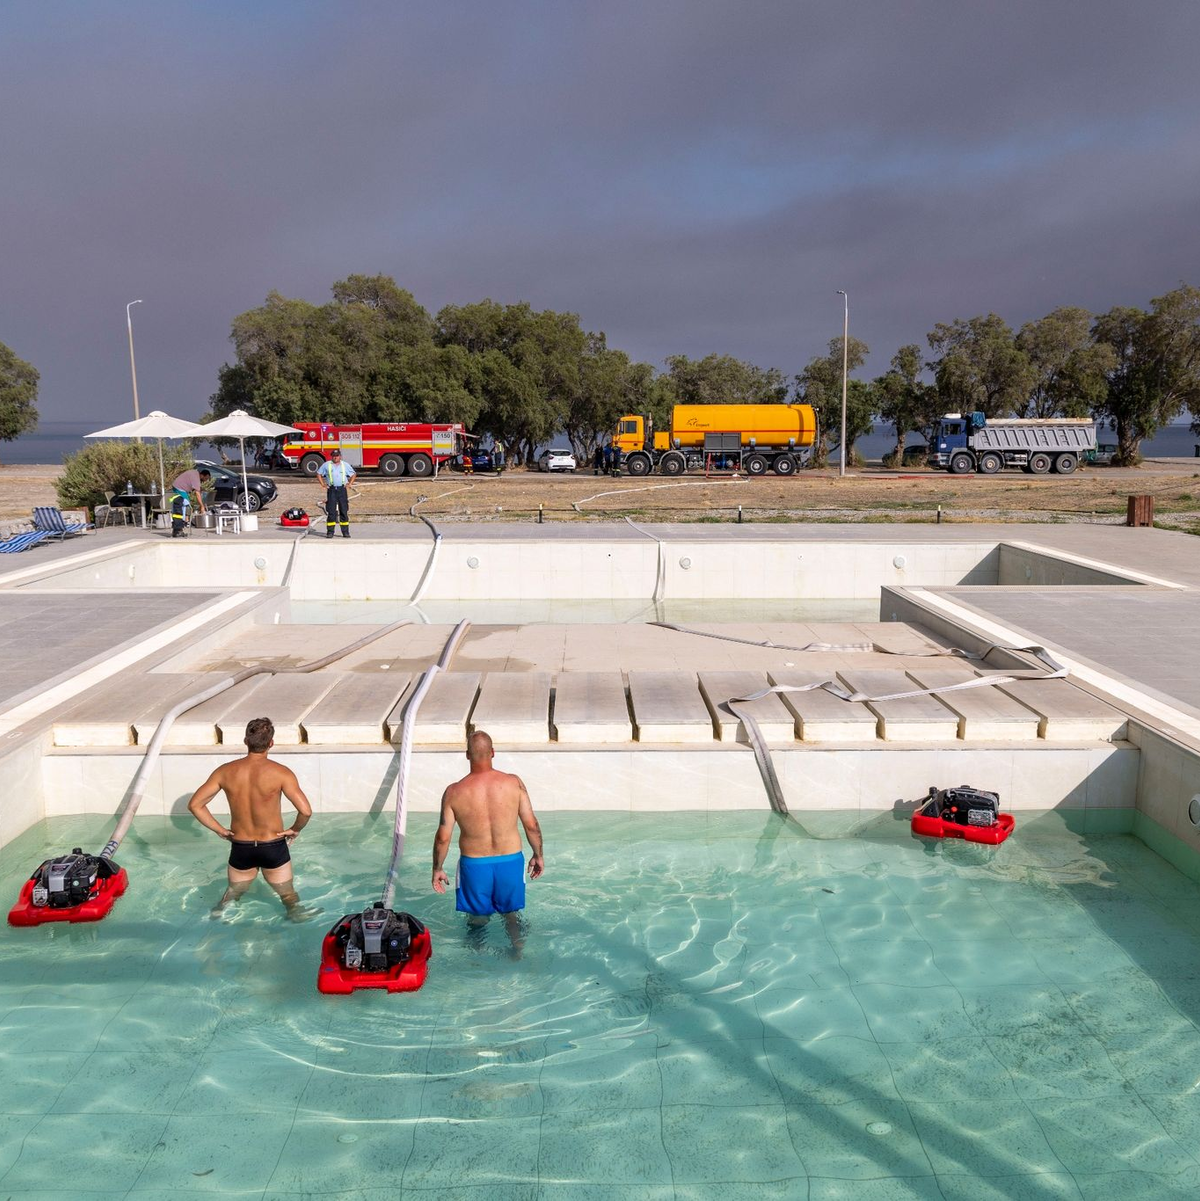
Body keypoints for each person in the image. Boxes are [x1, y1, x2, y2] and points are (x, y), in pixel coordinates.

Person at [187, 717, 314, 919]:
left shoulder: (225, 771)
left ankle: (219, 915)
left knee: (232, 893)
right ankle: (295, 914)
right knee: (288, 896)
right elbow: (306, 811)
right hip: (273, 846)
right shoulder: (281, 773)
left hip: (241, 846)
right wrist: (295, 829)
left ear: (246, 741)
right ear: (271, 743)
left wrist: (221, 830)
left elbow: (195, 805)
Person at [432, 730, 544, 955]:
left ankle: (476, 961)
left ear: (467, 755)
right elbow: (531, 824)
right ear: (493, 752)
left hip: (474, 864)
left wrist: (437, 868)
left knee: (476, 920)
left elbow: (444, 836)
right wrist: (538, 854)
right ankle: (518, 951)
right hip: (510, 860)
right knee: (511, 915)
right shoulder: (513, 783)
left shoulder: (454, 791)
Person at [316, 448, 355, 538]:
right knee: (331, 512)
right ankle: (330, 532)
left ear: (340, 456)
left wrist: (350, 483)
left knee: (344, 511)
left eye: (337, 456)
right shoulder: (327, 465)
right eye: (334, 456)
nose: (335, 458)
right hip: (332, 490)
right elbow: (318, 473)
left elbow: (353, 474)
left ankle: (345, 532)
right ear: (332, 456)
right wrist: (323, 484)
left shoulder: (345, 465)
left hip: (342, 490)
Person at [169, 467, 211, 537]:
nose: (206, 481)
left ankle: (179, 529)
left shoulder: (195, 473)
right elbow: (197, 494)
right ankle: (178, 530)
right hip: (180, 489)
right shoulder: (196, 479)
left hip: (178, 487)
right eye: (206, 478)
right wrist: (202, 506)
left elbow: (193, 486)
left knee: (183, 507)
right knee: (182, 509)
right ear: (202, 475)